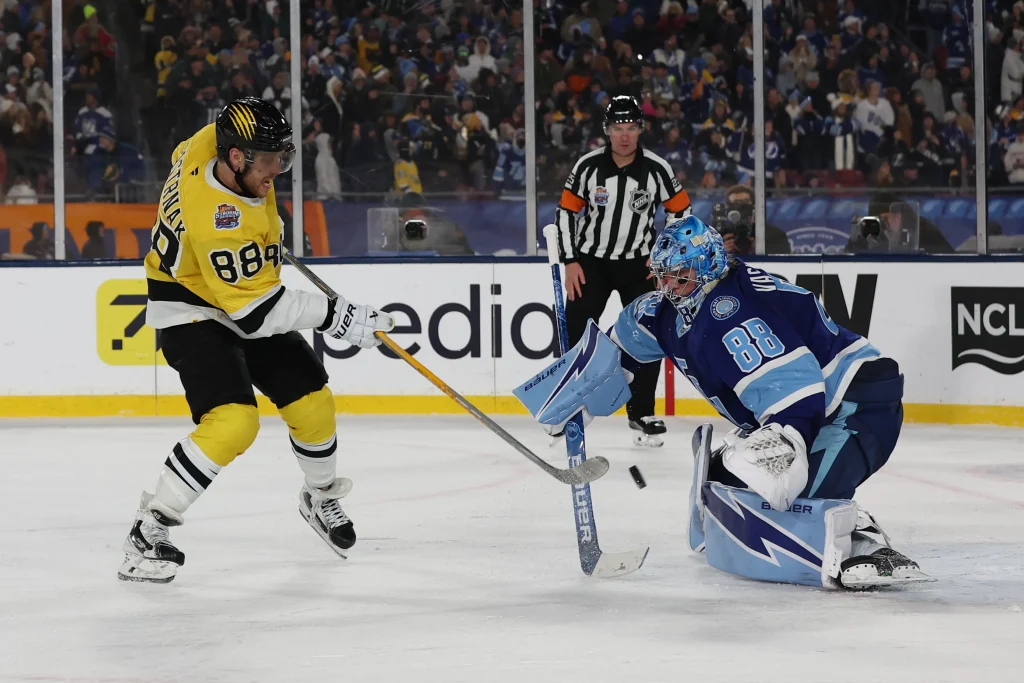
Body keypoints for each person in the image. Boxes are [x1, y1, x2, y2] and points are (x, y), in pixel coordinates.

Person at [522, 215, 931, 589]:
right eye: (663, 277)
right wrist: (573, 397)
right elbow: (612, 354)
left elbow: (796, 395)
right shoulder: (666, 309)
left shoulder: (732, 312)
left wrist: (782, 445)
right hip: (810, 405)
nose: (668, 287)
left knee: (797, 501)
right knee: (726, 486)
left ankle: (863, 538)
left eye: (679, 277)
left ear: (707, 268)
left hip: (857, 403)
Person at [118, 97, 395, 583]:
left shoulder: (208, 142)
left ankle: (321, 496)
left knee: (312, 400)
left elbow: (205, 174)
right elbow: (256, 311)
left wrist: (261, 245)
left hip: (232, 285)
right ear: (236, 158)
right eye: (268, 161)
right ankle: (147, 531)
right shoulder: (217, 221)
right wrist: (339, 316)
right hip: (190, 304)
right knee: (233, 422)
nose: (277, 171)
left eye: (281, 158)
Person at [553, 95, 692, 447]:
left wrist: (662, 254)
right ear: (607, 130)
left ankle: (641, 413)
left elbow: (682, 212)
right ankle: (564, 409)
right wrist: (570, 261)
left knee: (647, 338)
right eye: (618, 128)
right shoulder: (587, 167)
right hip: (590, 264)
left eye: (631, 128)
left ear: (640, 129)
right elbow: (566, 213)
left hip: (639, 268)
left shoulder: (657, 168)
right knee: (576, 336)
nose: (625, 136)